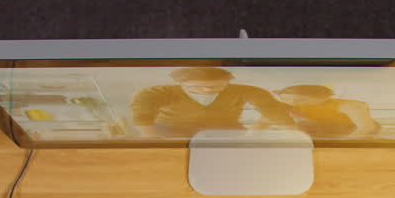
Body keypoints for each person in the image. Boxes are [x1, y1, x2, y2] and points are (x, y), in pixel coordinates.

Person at [130, 67, 294, 138]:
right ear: (181, 84)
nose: (208, 90)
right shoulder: (155, 92)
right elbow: (142, 114)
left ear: (228, 81)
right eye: (198, 87)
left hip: (225, 129)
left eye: (217, 86)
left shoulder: (248, 91)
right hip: (170, 130)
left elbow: (272, 109)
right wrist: (150, 137)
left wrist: (291, 130)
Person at [272, 85, 380, 138]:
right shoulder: (292, 106)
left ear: (324, 97)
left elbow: (366, 128)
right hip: (322, 127)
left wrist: (343, 144)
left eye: (301, 100)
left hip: (351, 130)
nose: (293, 103)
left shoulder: (350, 105)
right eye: (286, 99)